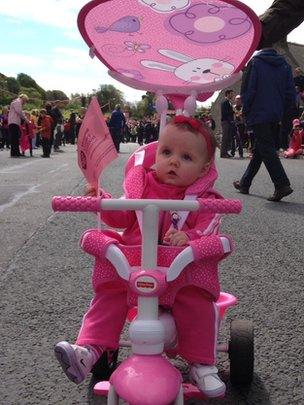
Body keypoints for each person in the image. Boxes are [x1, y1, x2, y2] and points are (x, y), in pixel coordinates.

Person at [54, 116, 228, 398]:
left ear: (204, 168)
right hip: (134, 270)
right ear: (155, 154)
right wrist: (101, 200)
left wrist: (192, 237)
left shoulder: (204, 198)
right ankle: (89, 350)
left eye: (186, 157)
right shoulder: (141, 188)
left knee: (198, 304)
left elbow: (210, 224)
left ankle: (202, 364)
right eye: (167, 152)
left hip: (181, 273)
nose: (173, 162)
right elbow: (120, 215)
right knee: (108, 295)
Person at [233, 48, 296, 201]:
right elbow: (290, 93)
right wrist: (285, 113)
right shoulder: (285, 65)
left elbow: (248, 90)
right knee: (261, 148)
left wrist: (246, 110)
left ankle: (281, 184)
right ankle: (245, 183)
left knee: (266, 148)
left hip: (258, 111)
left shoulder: (255, 63)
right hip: (276, 113)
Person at [220, 89, 235, 158]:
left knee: (228, 137)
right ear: (228, 94)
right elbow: (224, 113)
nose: (232, 95)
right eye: (231, 94)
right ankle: (223, 153)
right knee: (225, 138)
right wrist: (232, 111)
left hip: (228, 122)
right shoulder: (224, 102)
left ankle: (226, 152)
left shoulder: (228, 102)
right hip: (225, 122)